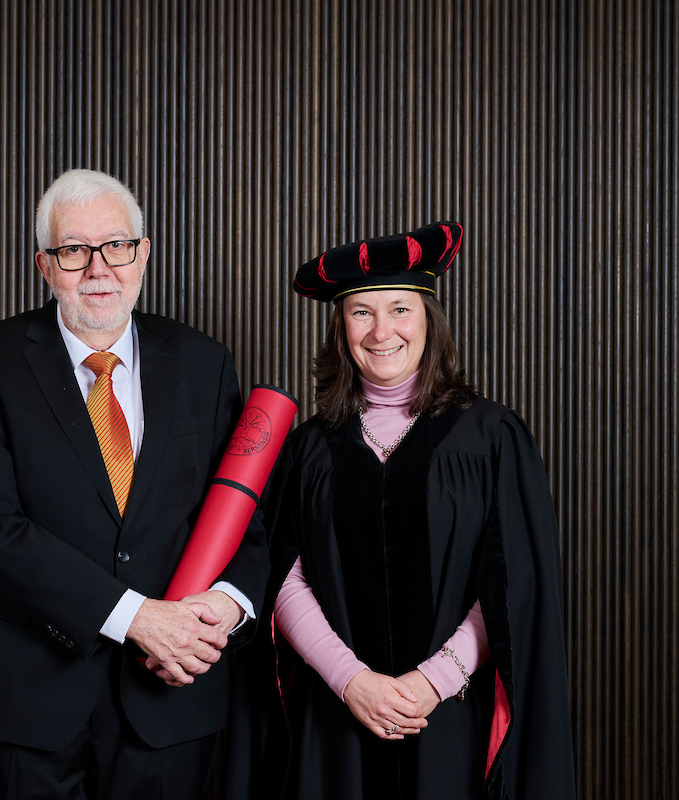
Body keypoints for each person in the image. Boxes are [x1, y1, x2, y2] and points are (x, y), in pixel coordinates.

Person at [226, 222, 576, 799]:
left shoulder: (489, 437)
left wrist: (432, 682)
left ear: (428, 320)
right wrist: (350, 680)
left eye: (400, 309)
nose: (381, 331)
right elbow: (281, 575)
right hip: (334, 719)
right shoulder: (309, 448)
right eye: (361, 312)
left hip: (450, 720)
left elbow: (512, 584)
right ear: (340, 328)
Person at [0, 168, 269, 799]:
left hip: (171, 692)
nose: (99, 268)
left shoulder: (204, 362)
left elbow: (247, 520)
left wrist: (224, 608)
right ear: (45, 266)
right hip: (29, 699)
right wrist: (135, 617)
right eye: (74, 250)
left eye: (116, 246)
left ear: (143, 254)